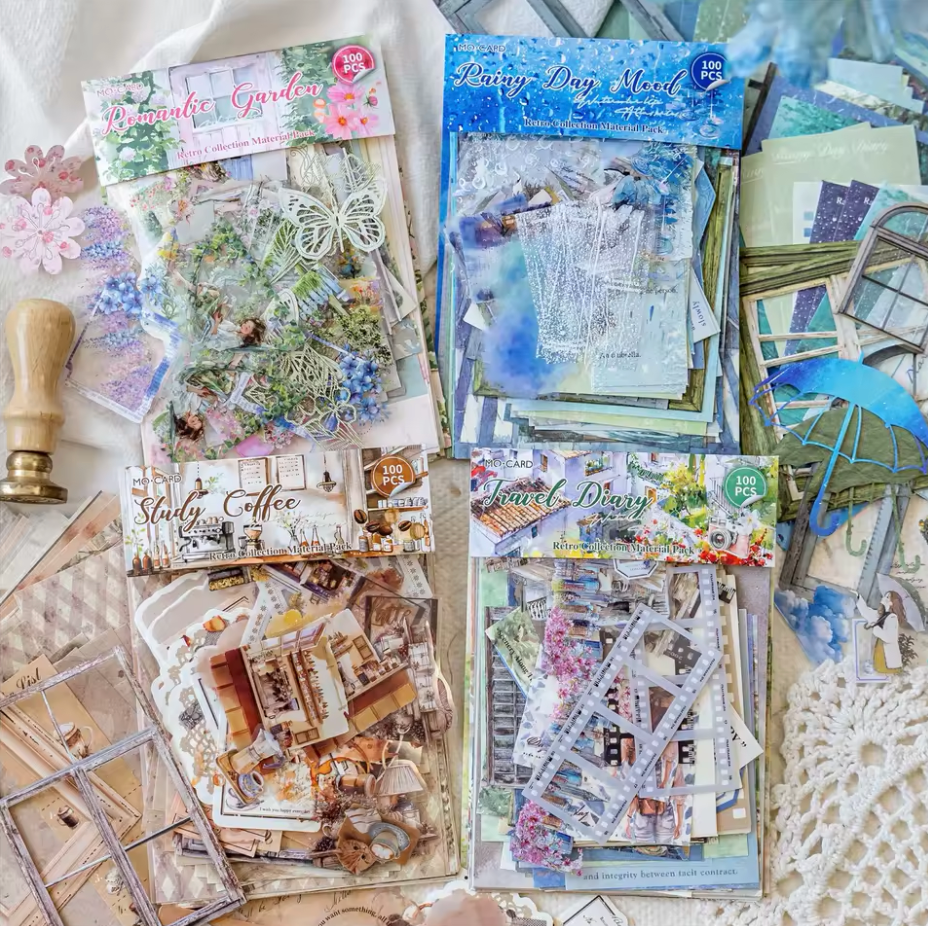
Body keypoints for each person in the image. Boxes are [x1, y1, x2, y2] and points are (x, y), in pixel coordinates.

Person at [857, 591, 904, 673]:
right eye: (884, 596)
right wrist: (858, 597)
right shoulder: (881, 615)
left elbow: (890, 638)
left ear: (892, 603)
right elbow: (866, 612)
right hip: (880, 649)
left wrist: (875, 628)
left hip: (887, 655)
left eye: (887, 597)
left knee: (883, 673)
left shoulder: (892, 618)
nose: (883, 598)